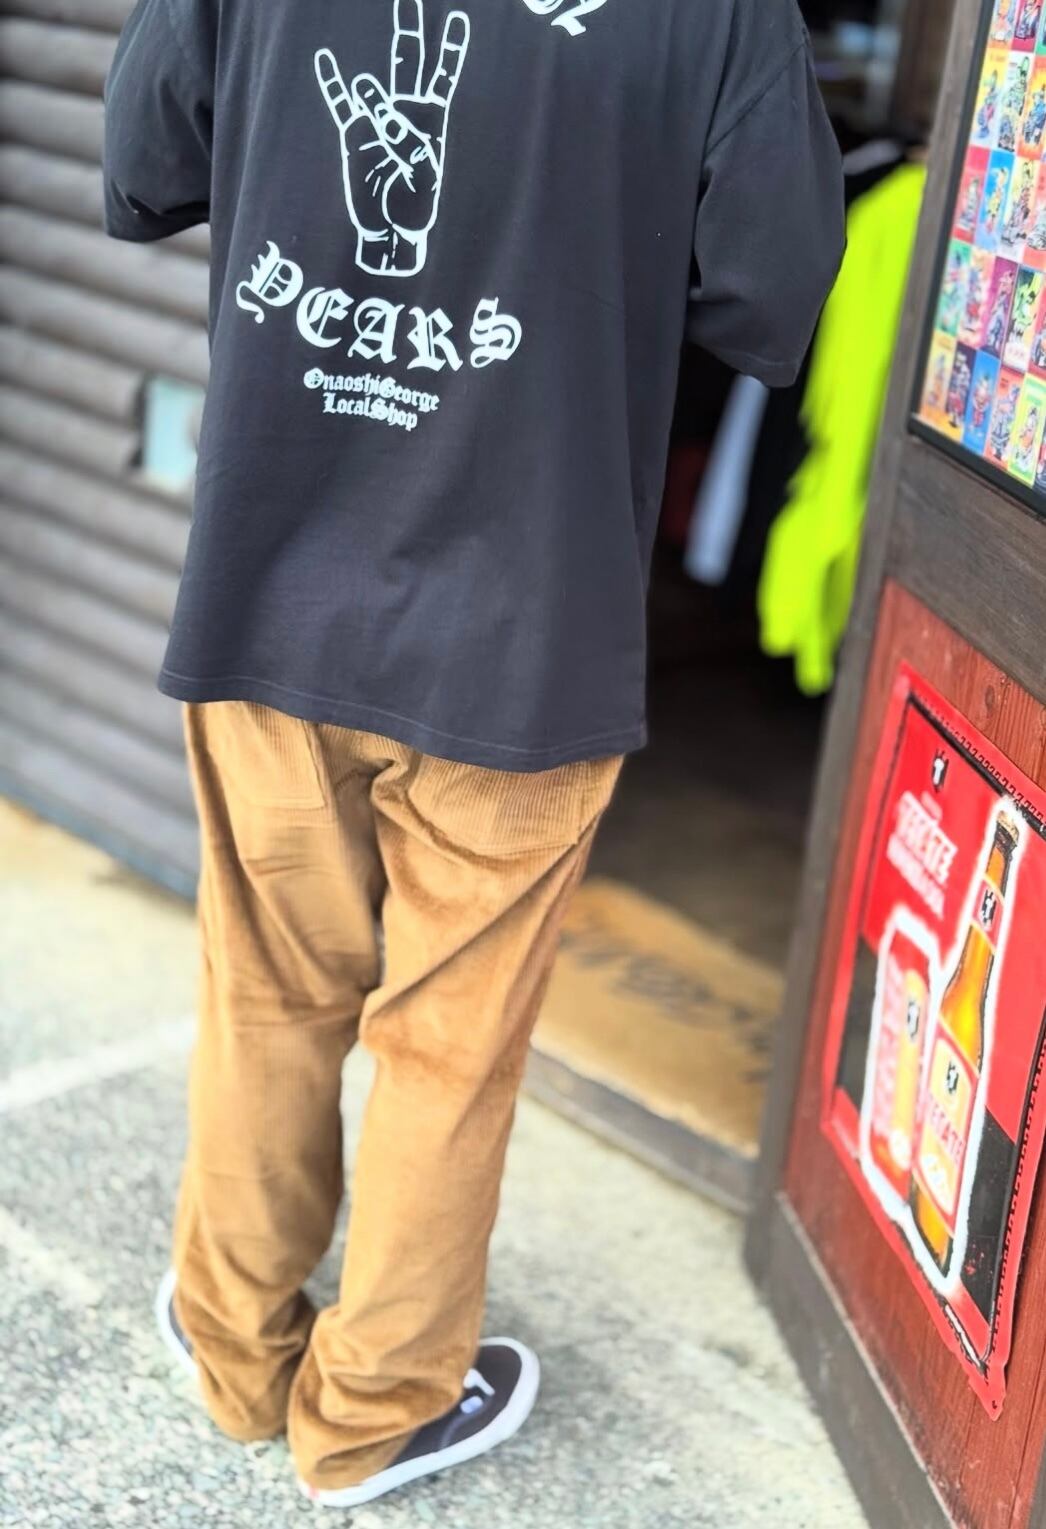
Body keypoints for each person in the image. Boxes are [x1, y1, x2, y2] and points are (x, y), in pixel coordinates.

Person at [103, 0, 844, 1508]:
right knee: (450, 1044)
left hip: (275, 583)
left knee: (268, 988)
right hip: (529, 622)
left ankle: (237, 1352)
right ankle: (369, 1416)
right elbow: (770, 286)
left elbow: (142, 160)